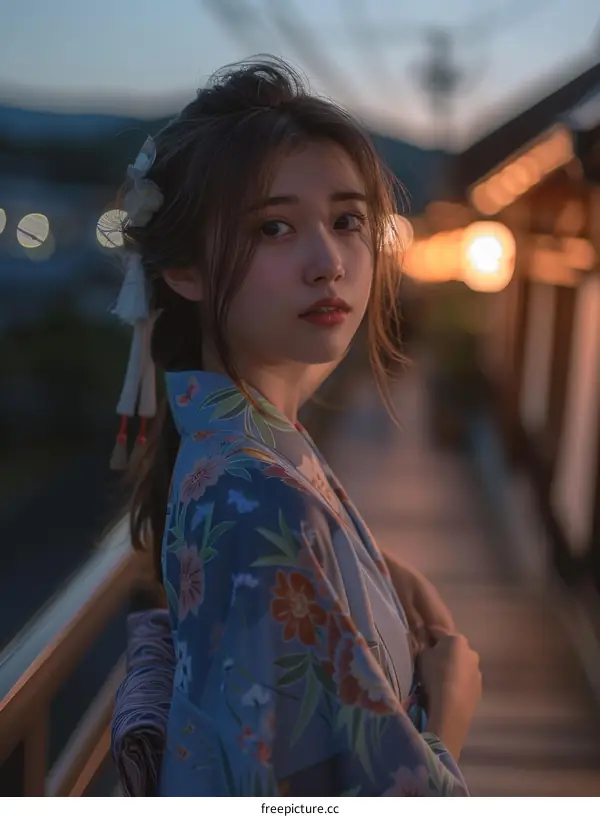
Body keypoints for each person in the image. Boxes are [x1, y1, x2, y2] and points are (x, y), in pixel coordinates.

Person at [109, 56, 481, 797]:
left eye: (348, 221)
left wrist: (363, 569)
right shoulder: (259, 497)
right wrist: (450, 711)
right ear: (184, 268)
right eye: (274, 227)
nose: (329, 263)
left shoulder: (243, 462)